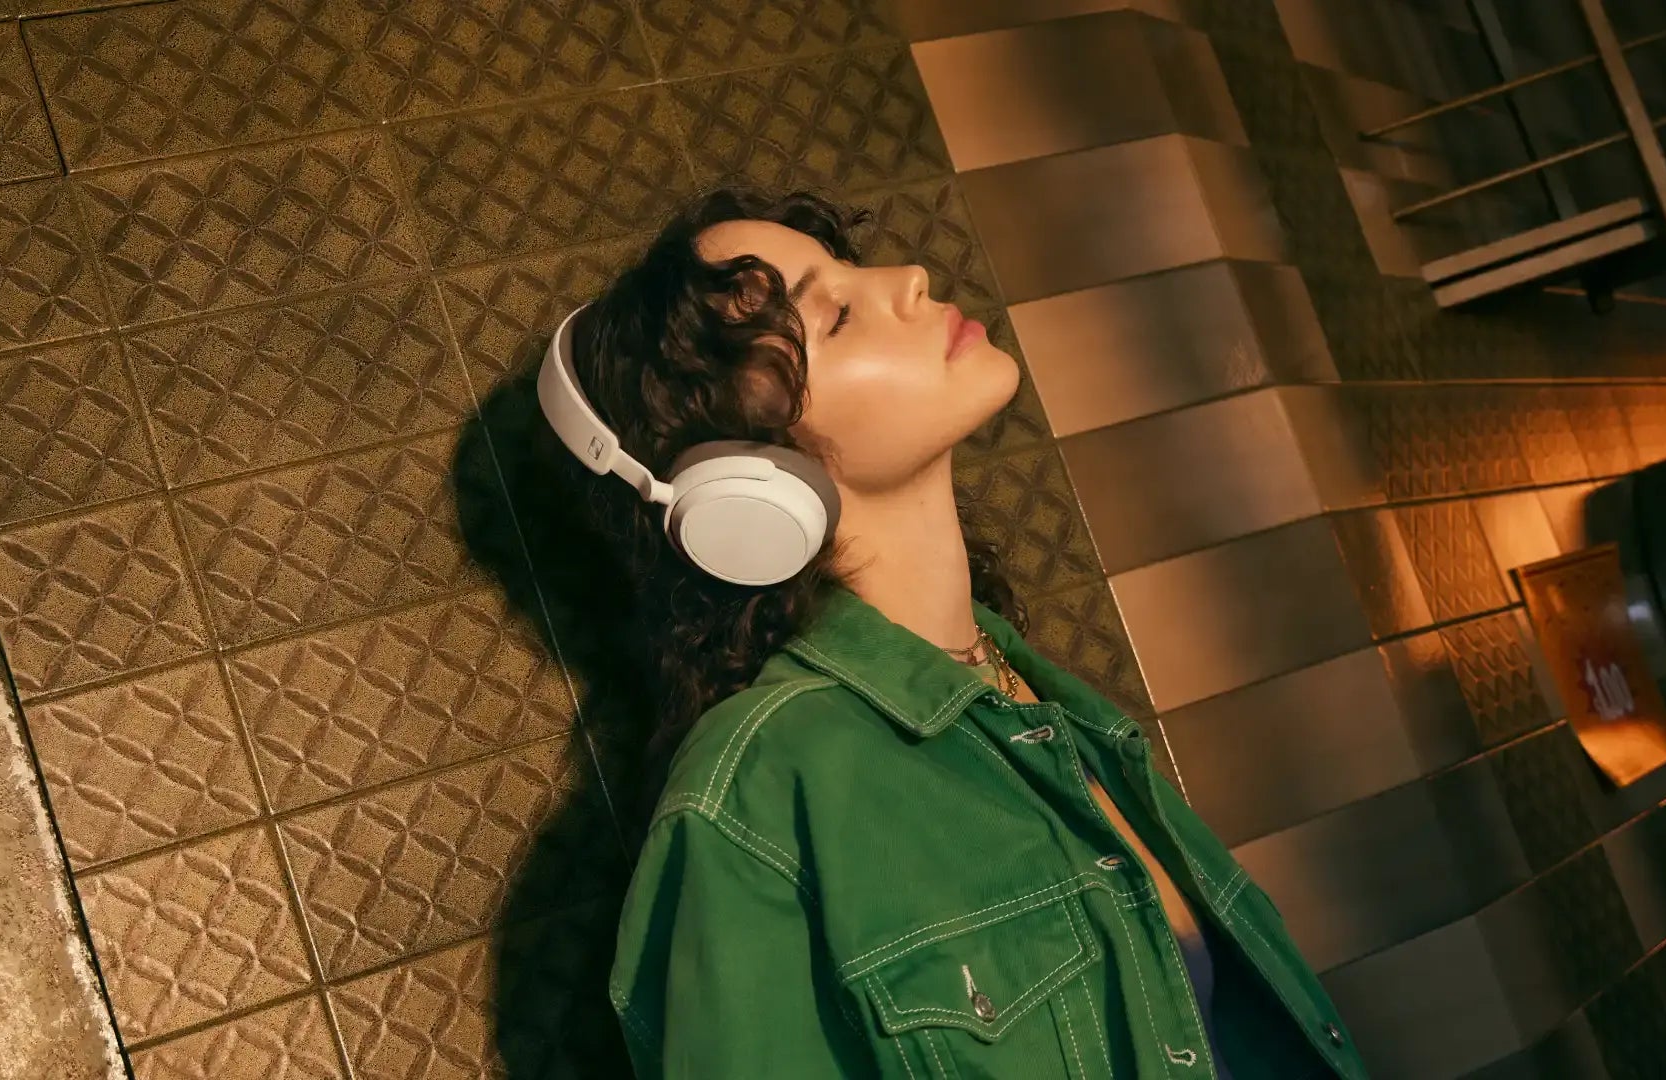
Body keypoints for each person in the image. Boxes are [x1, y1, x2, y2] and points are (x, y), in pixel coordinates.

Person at [516, 185, 1369, 1079]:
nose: (911, 277)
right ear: (740, 481)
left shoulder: (1035, 698)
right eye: (835, 314)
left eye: (851, 271)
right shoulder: (756, 798)